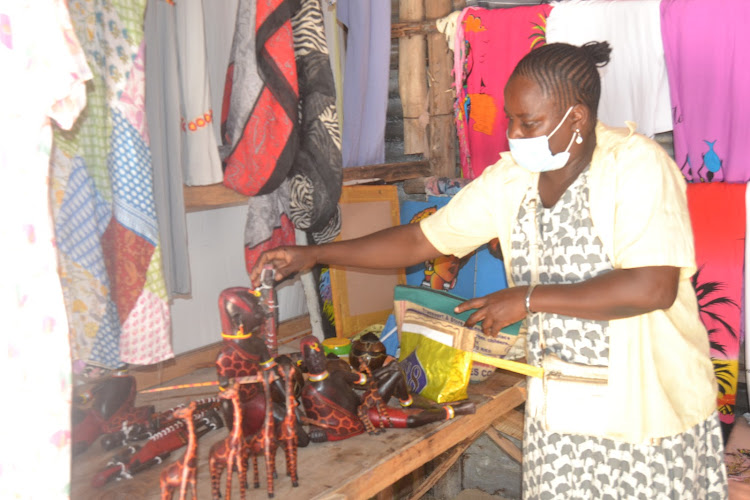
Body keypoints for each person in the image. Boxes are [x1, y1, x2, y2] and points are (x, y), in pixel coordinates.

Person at [251, 41, 727, 498]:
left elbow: (652, 287)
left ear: (576, 118)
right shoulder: (511, 181)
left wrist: (524, 300)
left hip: (647, 411)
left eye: (529, 122)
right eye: (510, 120)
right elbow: (421, 239)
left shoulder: (637, 167)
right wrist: (315, 255)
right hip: (562, 411)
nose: (513, 135)